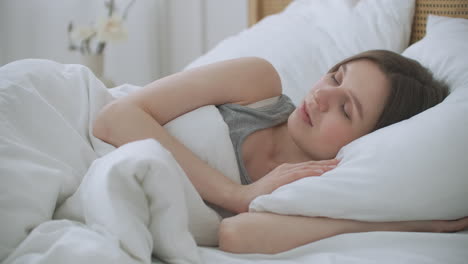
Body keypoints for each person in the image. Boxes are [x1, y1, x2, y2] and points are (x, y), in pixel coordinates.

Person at [93, 50, 468, 254]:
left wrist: (402, 226)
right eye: (336, 76)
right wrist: (235, 194)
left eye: (346, 108)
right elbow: (114, 117)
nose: (322, 95)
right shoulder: (257, 84)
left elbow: (235, 237)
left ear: (368, 140)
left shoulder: (316, 187)